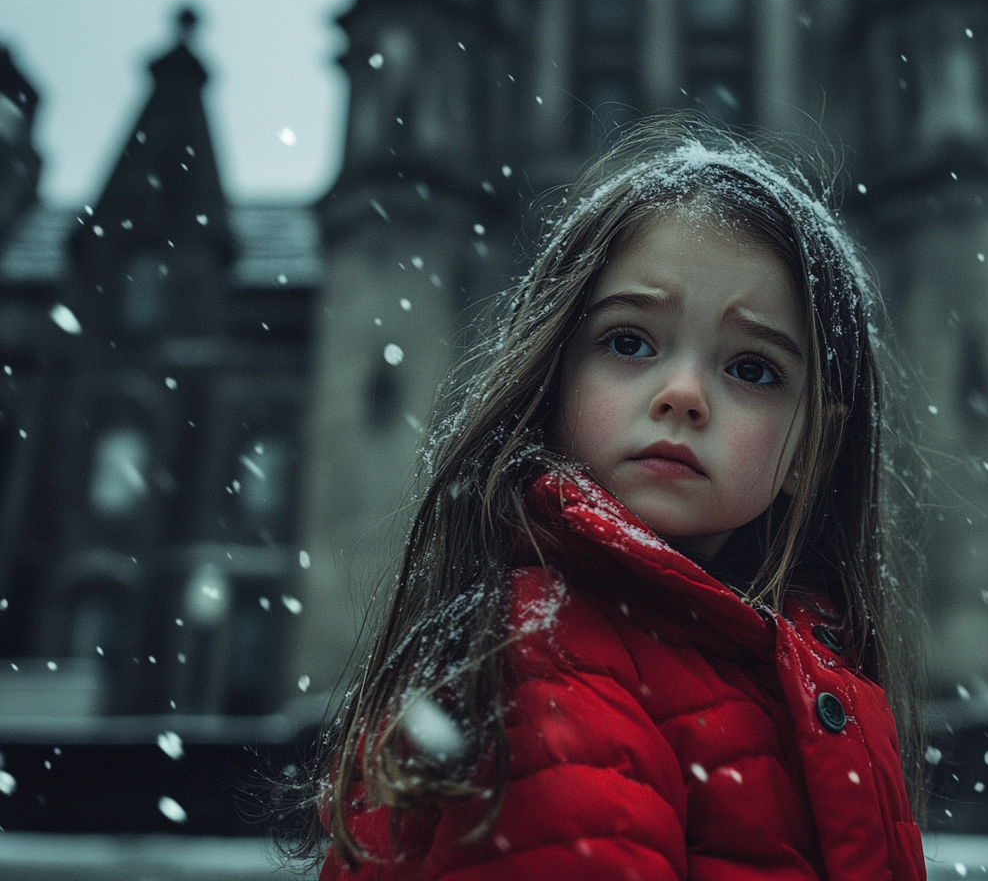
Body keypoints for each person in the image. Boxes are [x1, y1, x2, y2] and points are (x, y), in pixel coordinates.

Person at [307, 122, 927, 880]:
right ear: (550, 379)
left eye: (752, 369)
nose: (683, 395)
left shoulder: (791, 662)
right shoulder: (543, 662)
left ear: (812, 450)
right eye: (630, 342)